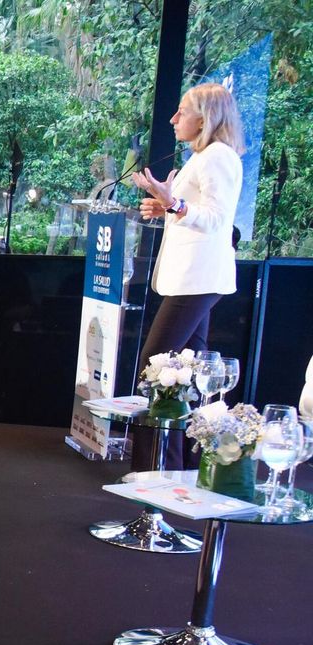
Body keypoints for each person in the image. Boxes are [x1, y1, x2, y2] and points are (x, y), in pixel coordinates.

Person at [131, 82, 245, 469]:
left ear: (206, 117)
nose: (173, 118)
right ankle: (177, 469)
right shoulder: (202, 157)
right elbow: (189, 212)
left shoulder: (219, 157)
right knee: (190, 375)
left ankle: (152, 470)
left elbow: (216, 220)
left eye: (182, 111)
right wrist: (164, 207)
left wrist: (174, 203)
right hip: (189, 279)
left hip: (198, 280)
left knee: (156, 369)